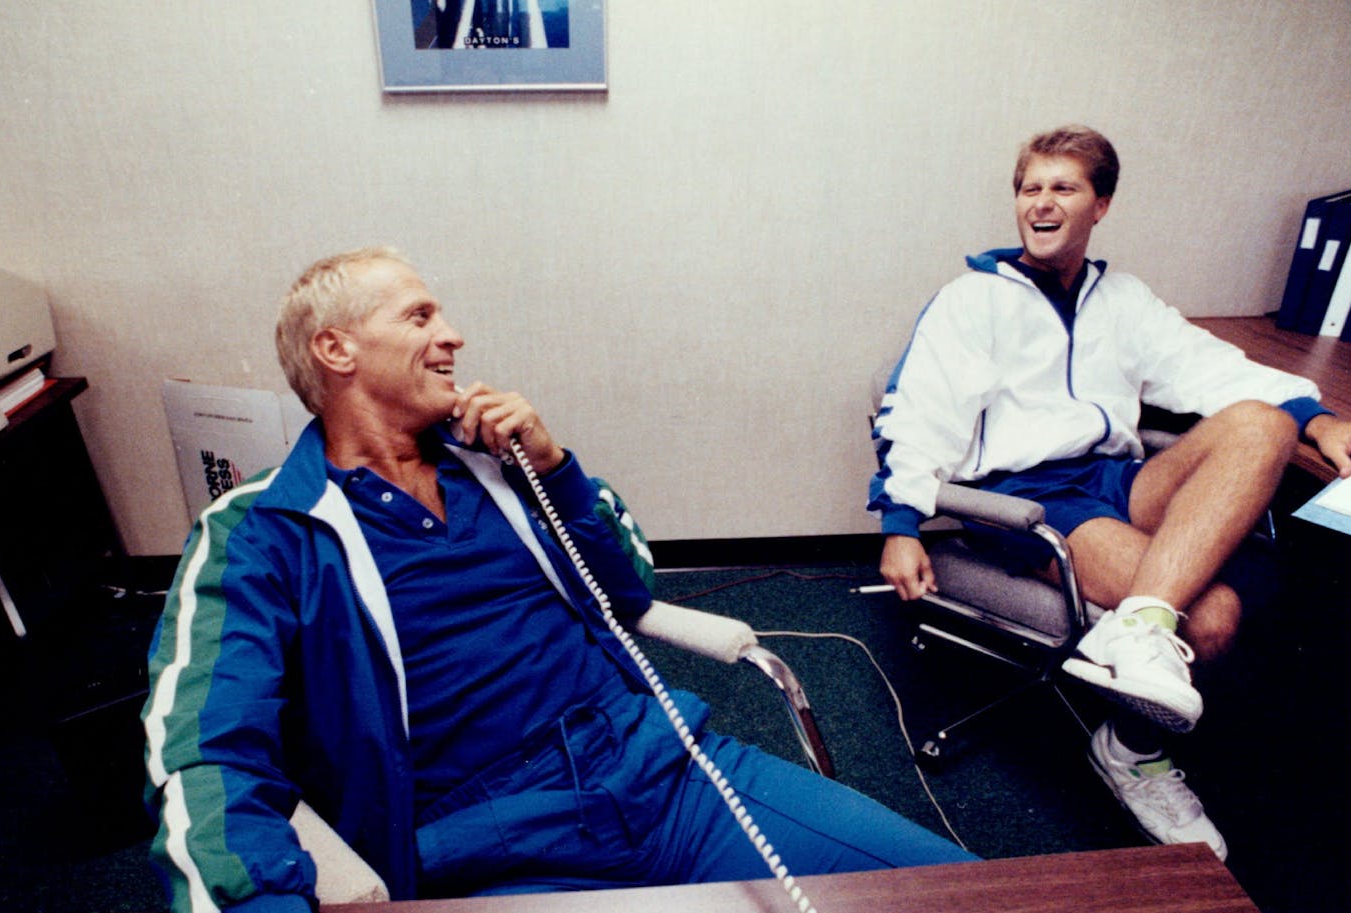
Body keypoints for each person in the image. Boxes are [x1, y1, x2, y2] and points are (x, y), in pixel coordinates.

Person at [142, 247, 973, 913]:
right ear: (337, 348)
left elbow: (630, 586)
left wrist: (551, 463)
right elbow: (205, 762)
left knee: (968, 892)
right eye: (421, 314)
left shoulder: (500, 471)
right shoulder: (259, 532)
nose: (454, 336)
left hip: (661, 772)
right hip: (487, 846)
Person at [868, 126, 1351, 861]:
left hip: (1117, 477)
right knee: (1214, 616)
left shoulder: (1124, 298)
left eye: (1063, 187)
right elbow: (916, 412)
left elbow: (1213, 369)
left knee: (1262, 424)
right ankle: (1130, 747)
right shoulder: (970, 299)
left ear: (1101, 203)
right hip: (1032, 497)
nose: (1041, 203)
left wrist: (1322, 419)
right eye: (1029, 187)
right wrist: (902, 520)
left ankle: (1135, 627)